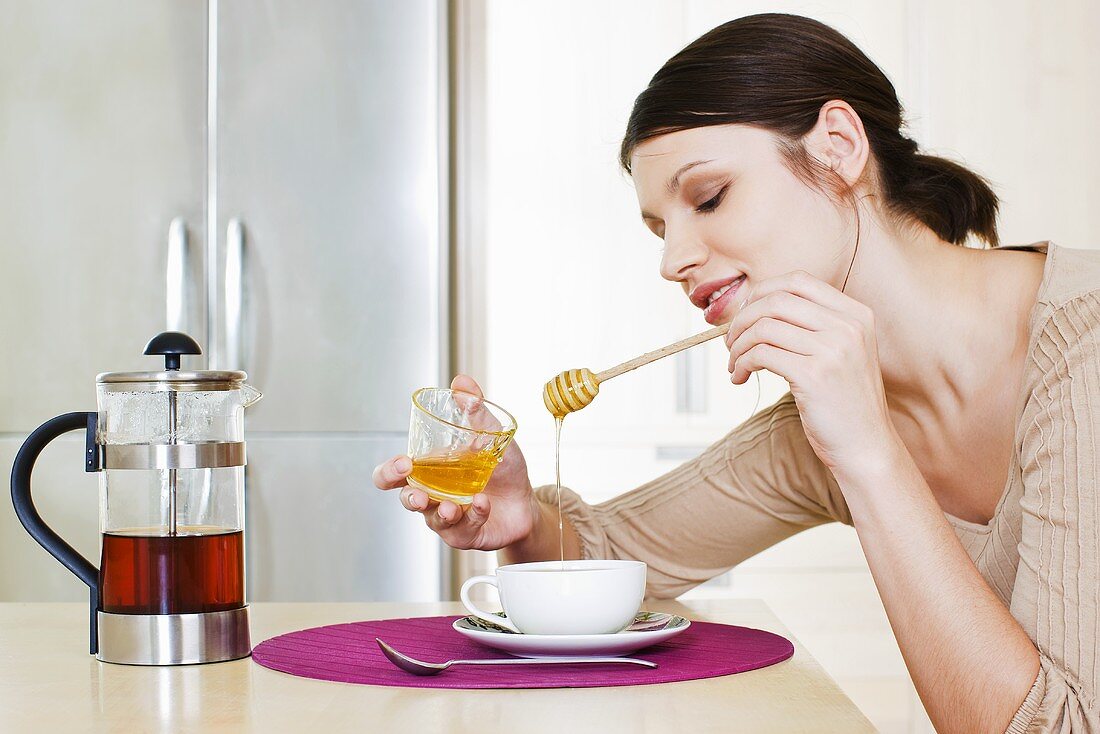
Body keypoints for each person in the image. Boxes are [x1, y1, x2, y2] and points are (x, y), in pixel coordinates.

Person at [373, 13, 1098, 733]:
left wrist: (871, 456)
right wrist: (525, 521)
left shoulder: (1082, 350)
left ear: (840, 147)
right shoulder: (828, 417)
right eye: (660, 229)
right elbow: (610, 559)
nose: (671, 262)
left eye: (710, 197)